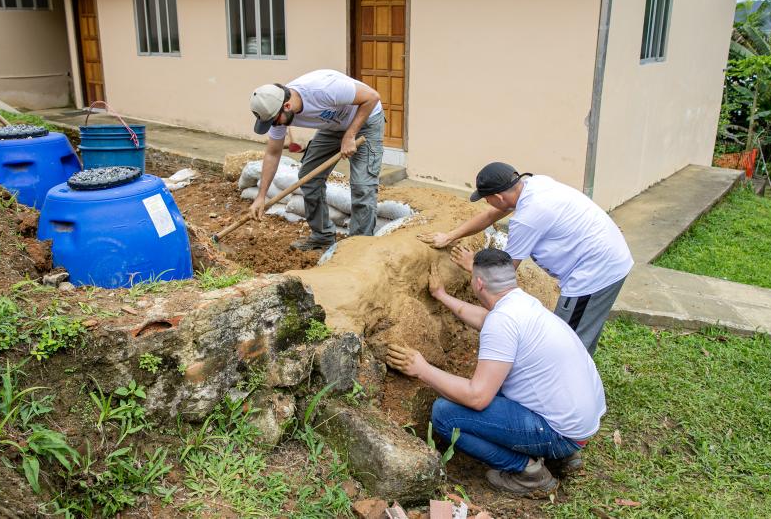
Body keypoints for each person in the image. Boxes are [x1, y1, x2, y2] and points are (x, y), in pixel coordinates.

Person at [386, 249, 606, 498]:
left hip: (561, 433)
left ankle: (528, 472)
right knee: (494, 380)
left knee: (445, 415)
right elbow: (485, 318)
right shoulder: (523, 304)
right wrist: (441, 296)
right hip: (580, 423)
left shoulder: (502, 322)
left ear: (478, 283)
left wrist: (423, 370)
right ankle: (563, 455)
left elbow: (477, 397)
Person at [418, 163, 633, 354]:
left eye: (487, 198)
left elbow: (504, 276)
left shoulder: (527, 219)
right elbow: (491, 215)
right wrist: (450, 236)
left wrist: (473, 266)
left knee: (565, 343)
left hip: (594, 273)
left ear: (499, 197)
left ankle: (560, 392)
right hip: (611, 257)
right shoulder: (534, 185)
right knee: (582, 333)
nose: (487, 203)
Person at [248, 69, 385, 251]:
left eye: (274, 121)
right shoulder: (277, 111)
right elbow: (273, 153)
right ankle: (322, 236)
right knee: (309, 177)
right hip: (332, 126)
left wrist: (350, 135)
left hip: (365, 120)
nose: (275, 125)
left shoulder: (323, 90)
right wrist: (261, 196)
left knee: (362, 185)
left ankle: (357, 249)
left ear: (287, 106)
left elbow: (372, 97)